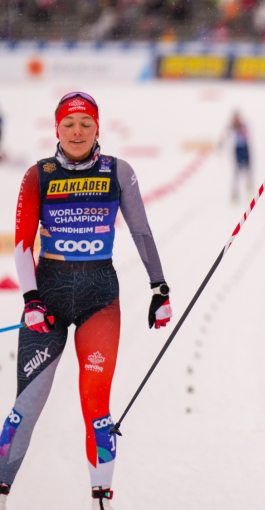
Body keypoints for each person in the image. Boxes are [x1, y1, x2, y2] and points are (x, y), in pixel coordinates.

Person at [2, 92, 173, 510]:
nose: (77, 132)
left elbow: (142, 232)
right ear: (56, 129)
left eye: (86, 125)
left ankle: (101, 500)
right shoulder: (37, 175)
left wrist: (159, 287)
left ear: (98, 128)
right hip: (49, 298)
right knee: (26, 406)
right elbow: (22, 245)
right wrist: (31, 300)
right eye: (68, 125)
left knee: (97, 405)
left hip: (100, 297)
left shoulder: (118, 171)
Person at [219, 111, 253, 202]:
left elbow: (247, 135)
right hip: (237, 150)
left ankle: (249, 189)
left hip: (245, 149)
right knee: (237, 171)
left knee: (248, 169)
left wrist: (240, 130)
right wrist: (221, 144)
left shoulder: (244, 126)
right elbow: (225, 136)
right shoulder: (231, 127)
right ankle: (235, 192)